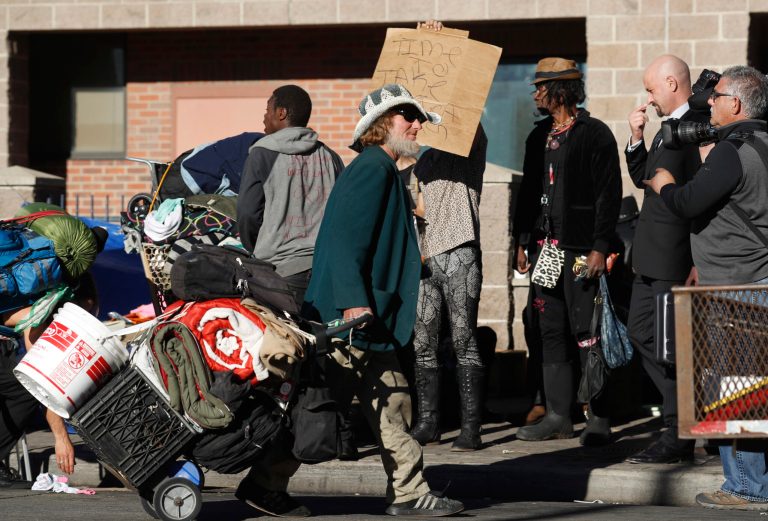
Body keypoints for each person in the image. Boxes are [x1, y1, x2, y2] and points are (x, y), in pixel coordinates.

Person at [303, 83, 464, 517]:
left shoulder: (384, 170)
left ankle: (410, 492)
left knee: (392, 401)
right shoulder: (373, 168)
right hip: (351, 319)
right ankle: (265, 481)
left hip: (368, 319)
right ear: (380, 125)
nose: (416, 125)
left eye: (417, 117)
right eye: (406, 116)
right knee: (317, 410)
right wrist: (355, 302)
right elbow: (343, 242)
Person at [646, 65, 768, 511]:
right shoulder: (761, 143)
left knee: (740, 392)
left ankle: (748, 488)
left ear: (735, 104)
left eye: (716, 97)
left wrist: (665, 185)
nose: (709, 103)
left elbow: (688, 202)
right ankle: (747, 484)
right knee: (748, 388)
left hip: (737, 284)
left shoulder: (734, 149)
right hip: (753, 278)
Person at [512, 57, 622, 445]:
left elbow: (608, 196)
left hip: (580, 250)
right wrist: (522, 242)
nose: (536, 93)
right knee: (549, 328)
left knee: (587, 331)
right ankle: (558, 415)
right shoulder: (536, 136)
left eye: (541, 87)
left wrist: (599, 247)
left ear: (561, 90)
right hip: (545, 248)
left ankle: (598, 417)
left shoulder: (595, 134)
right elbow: (527, 194)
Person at [623, 55, 708, 465]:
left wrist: (696, 259)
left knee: (670, 347)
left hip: (675, 257)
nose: (649, 98)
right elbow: (648, 177)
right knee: (641, 332)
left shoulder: (698, 125)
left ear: (672, 83)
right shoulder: (666, 127)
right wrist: (637, 138)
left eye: (652, 89)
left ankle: (679, 431)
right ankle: (689, 410)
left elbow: (700, 198)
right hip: (650, 256)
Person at [409, 124, 488, 451]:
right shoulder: (424, 161)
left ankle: (471, 429)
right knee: (423, 340)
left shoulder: (470, 151)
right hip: (428, 257)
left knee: (463, 337)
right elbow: (424, 209)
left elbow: (476, 131)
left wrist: (461, 111)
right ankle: (429, 422)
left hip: (462, 253)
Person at [237, 84, 344, 304]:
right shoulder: (330, 156)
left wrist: (257, 248)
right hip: (327, 269)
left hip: (280, 272)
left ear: (281, 113)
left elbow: (247, 213)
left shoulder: (261, 153)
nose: (264, 118)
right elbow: (343, 213)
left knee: (286, 337)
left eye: (267, 111)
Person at [0, 273, 99, 488]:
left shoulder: (39, 297)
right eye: (83, 314)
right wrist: (61, 438)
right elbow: (41, 378)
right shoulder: (40, 313)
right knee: (26, 391)